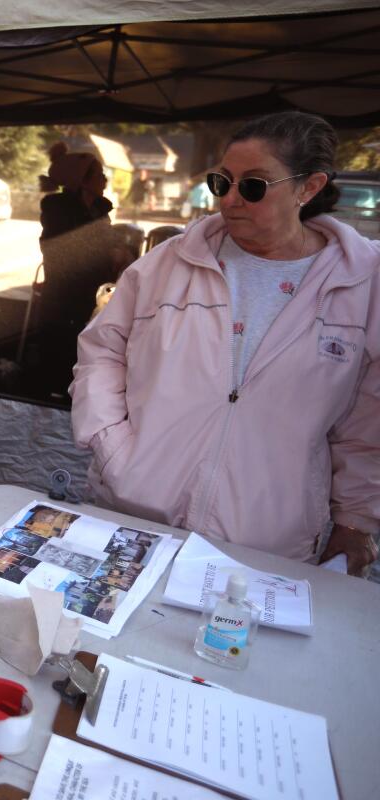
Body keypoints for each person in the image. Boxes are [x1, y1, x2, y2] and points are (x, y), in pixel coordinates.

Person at [71, 111, 380, 576]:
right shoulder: (168, 263)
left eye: (253, 186)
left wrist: (355, 520)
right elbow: (101, 351)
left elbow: (368, 419)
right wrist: (113, 447)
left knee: (227, 650)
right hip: (134, 512)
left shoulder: (363, 283)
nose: (230, 200)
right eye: (223, 182)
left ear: (309, 187)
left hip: (267, 543)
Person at [37, 141, 125, 396]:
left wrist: (120, 250)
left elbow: (110, 240)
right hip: (65, 300)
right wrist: (107, 251)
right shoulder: (56, 211)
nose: (105, 180)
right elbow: (63, 251)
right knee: (61, 360)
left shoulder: (99, 209)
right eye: (100, 175)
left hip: (93, 297)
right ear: (83, 182)